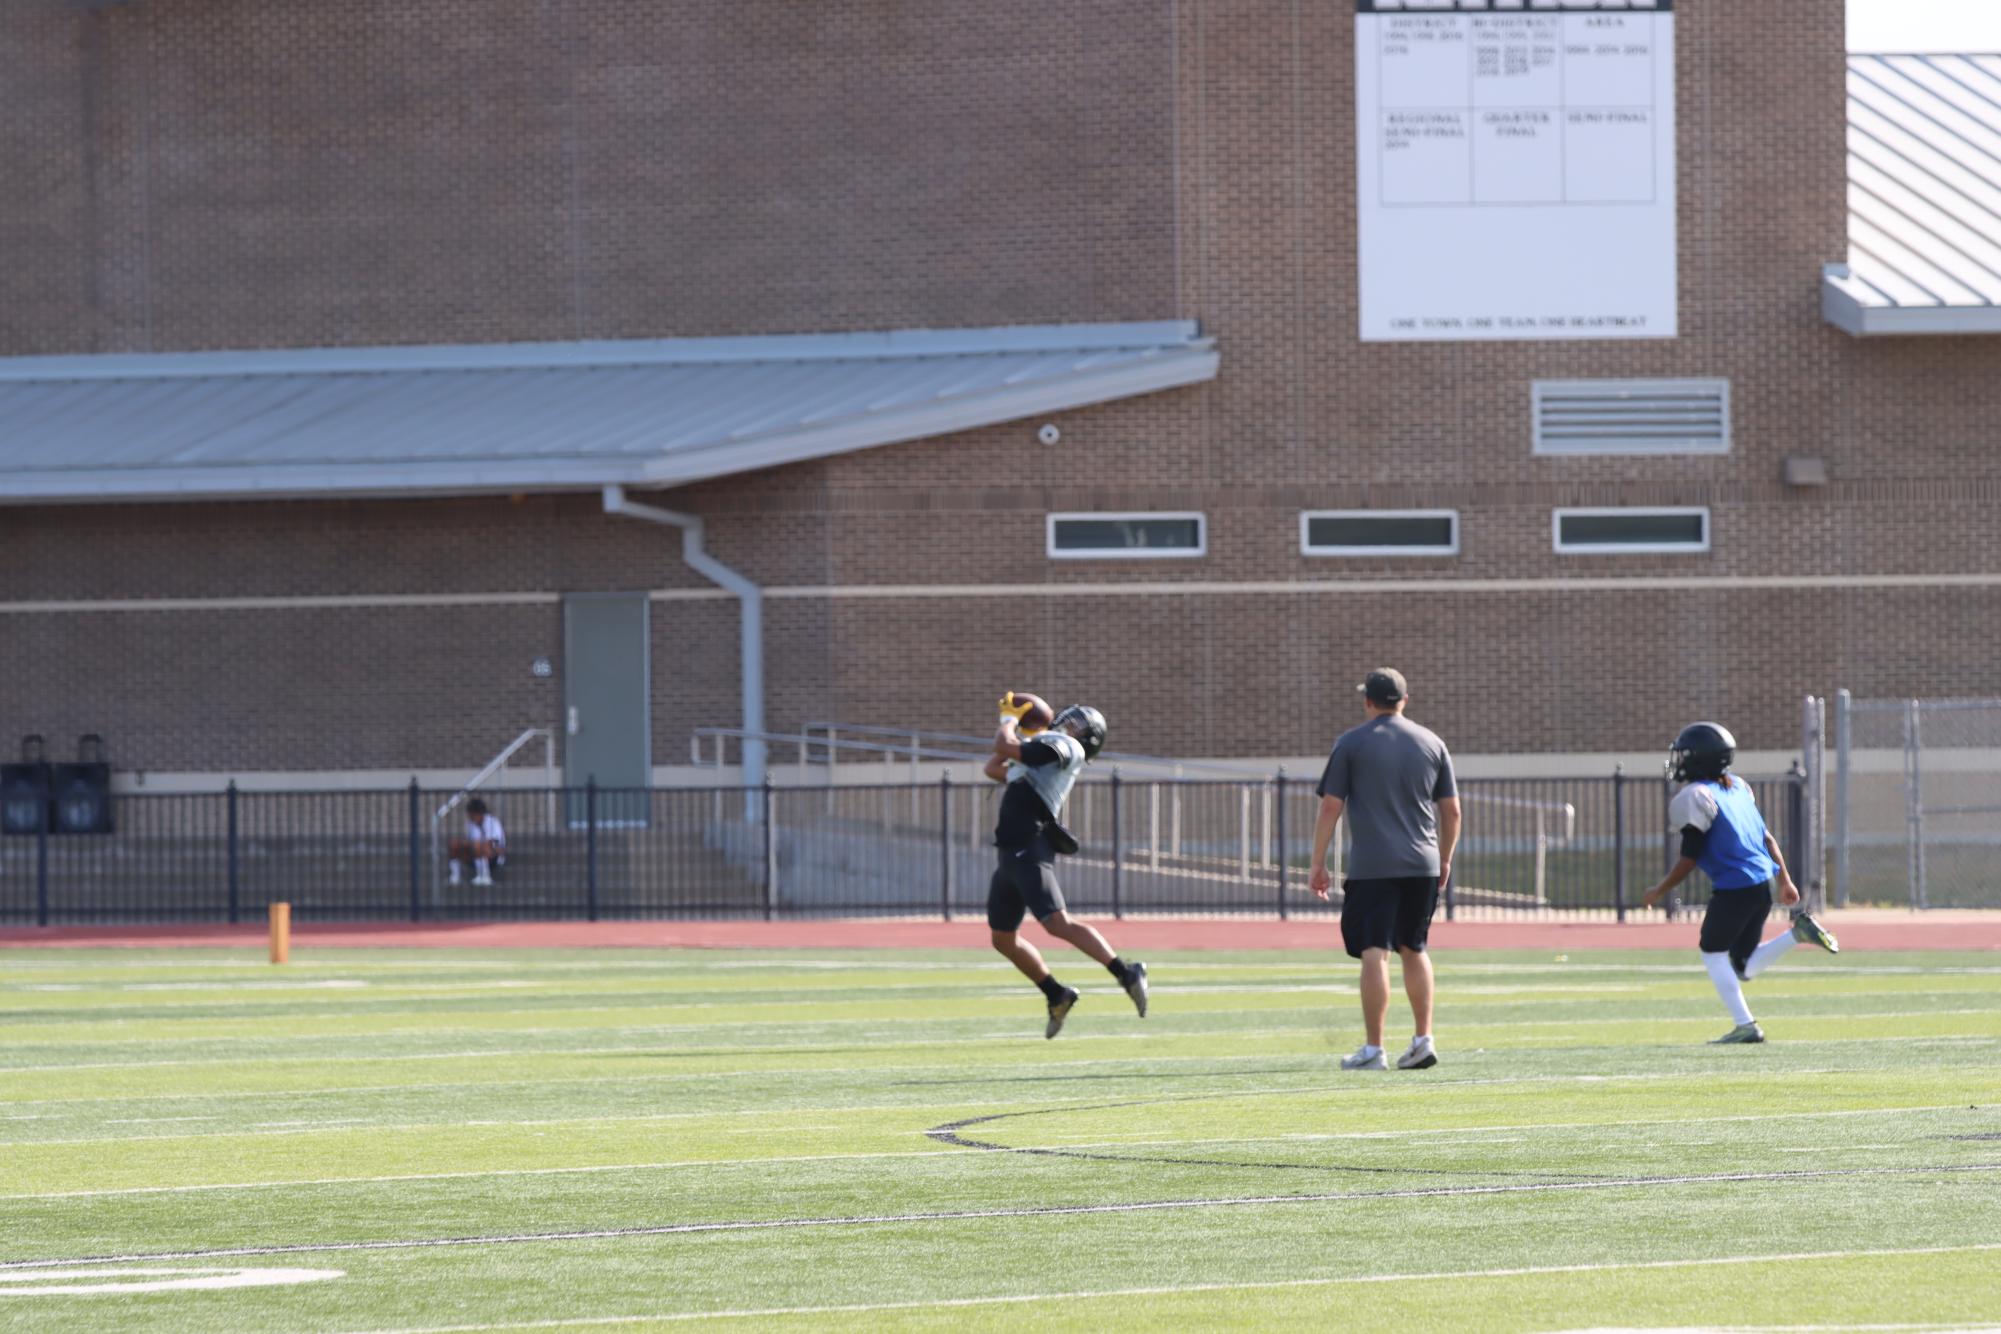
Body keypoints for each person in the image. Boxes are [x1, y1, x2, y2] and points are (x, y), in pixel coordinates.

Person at [1640, 722, 1840, 1044]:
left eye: (1685, 755)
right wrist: (1785, 880)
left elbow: (1689, 859)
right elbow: (1768, 839)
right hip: (1762, 885)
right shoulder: (1736, 789)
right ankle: (1797, 934)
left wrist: (1658, 890)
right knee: (1743, 966)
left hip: (1735, 887)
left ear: (1699, 759)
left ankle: (1746, 1025)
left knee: (1712, 951)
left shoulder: (1696, 796)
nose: (1679, 761)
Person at [1309, 669, 1460, 1072]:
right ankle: (1422, 1039)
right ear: (1404, 700)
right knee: (1415, 948)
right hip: (1423, 863)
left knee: (1375, 952)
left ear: (1368, 701)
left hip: (1373, 866)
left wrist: (1318, 861)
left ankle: (1374, 1049)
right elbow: (1452, 810)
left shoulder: (1352, 743)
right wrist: (1444, 858)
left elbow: (1330, 806)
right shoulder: (1432, 742)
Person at [984, 693, 1148, 1038]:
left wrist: (1010, 719)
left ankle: (1125, 972)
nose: (1067, 723)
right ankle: (1056, 993)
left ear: (1087, 738)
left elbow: (1006, 745)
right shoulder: (1041, 749)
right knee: (1002, 939)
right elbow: (993, 767)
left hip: (1029, 848)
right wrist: (1020, 733)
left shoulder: (1065, 747)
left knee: (1057, 923)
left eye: (1078, 724)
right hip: (1009, 855)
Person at [448, 797, 506, 887]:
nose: (470, 816)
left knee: (478, 845)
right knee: (454, 844)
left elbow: (496, 843)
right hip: (475, 855)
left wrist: (474, 844)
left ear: (479, 813)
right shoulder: (470, 824)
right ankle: (455, 877)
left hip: (494, 857)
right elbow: (469, 841)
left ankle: (484, 876)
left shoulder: (492, 822)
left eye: (472, 814)